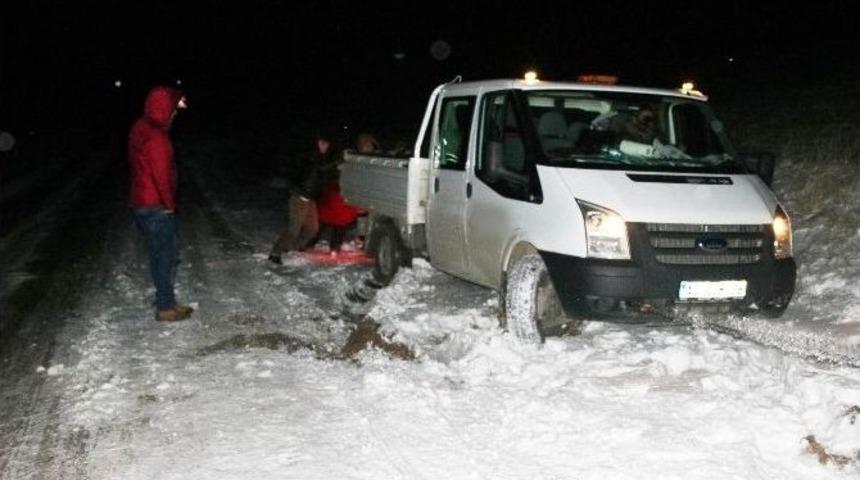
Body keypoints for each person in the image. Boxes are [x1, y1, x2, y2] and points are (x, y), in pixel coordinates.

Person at [128, 86, 193, 322]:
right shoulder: (157, 136)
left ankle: (165, 299)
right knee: (167, 255)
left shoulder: (140, 127)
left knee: (158, 253)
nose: (174, 114)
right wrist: (169, 204)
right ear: (164, 108)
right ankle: (165, 306)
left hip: (141, 201)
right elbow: (161, 174)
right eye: (173, 109)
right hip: (155, 205)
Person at [268, 132, 336, 264]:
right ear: (317, 143)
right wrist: (338, 161)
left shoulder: (322, 158)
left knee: (312, 229)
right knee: (294, 229)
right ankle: (275, 252)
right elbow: (320, 169)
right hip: (300, 196)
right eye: (322, 143)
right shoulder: (311, 156)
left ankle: (292, 246)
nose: (324, 146)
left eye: (326, 144)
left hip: (311, 199)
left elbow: (325, 176)